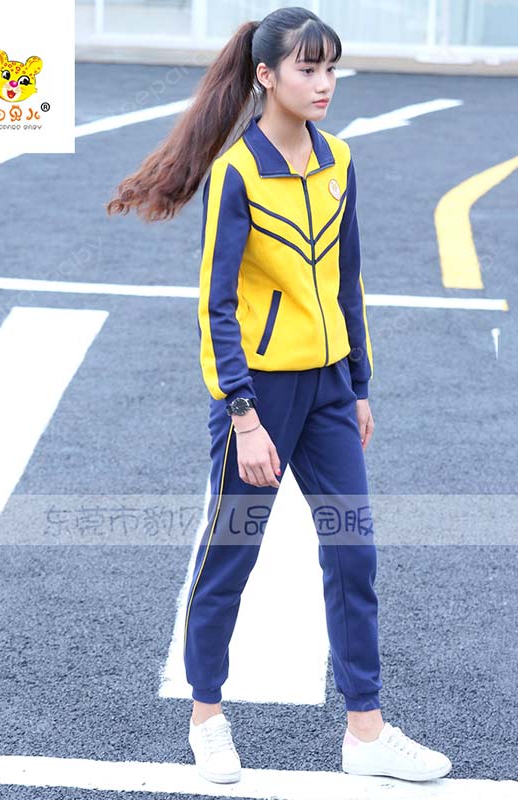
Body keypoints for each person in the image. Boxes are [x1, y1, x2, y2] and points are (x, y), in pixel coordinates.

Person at [107, 5, 453, 787]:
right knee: (230, 554)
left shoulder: (339, 160)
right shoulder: (237, 172)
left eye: (332, 67)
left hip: (329, 391)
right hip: (257, 399)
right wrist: (242, 414)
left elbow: (348, 280)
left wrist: (358, 385)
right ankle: (206, 718)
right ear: (266, 76)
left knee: (353, 551)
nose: (325, 82)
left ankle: (365, 731)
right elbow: (216, 304)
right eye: (309, 68)